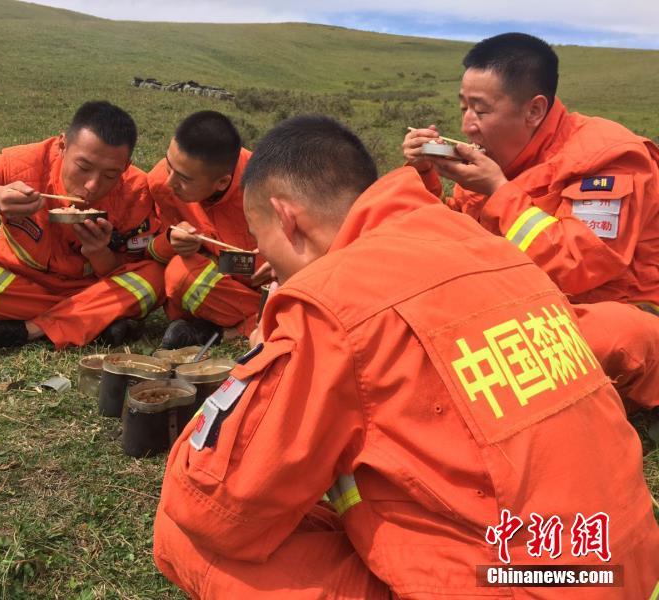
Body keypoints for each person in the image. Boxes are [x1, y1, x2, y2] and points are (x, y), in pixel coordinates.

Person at [153, 115, 659, 598]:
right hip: (627, 565)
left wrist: (264, 356)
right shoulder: (486, 245)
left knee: (186, 533)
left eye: (266, 244)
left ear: (287, 220)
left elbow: (212, 506)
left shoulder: (336, 302)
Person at [402, 32, 659, 409]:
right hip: (526, 307)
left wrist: (498, 191)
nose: (469, 125)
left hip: (614, 309)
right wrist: (425, 175)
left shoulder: (607, 158)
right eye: (464, 109)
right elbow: (451, 240)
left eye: (481, 110)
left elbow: (581, 265)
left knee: (617, 333)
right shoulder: (499, 159)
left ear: (534, 110)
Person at [0, 100, 164, 352]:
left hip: (90, 287)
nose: (92, 186)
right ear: (62, 145)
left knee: (155, 278)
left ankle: (29, 330)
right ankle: (95, 320)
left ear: (126, 167)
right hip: (20, 284)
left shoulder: (137, 193)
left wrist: (99, 253)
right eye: (83, 167)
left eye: (110, 175)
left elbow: (130, 267)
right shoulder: (21, 165)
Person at [145, 111, 270, 350]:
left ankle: (226, 331)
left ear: (222, 182)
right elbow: (153, 251)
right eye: (169, 166)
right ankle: (259, 323)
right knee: (179, 273)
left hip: (266, 285)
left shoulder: (267, 188)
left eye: (182, 178)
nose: (170, 182)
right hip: (218, 285)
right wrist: (171, 240)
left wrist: (280, 261)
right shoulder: (161, 183)